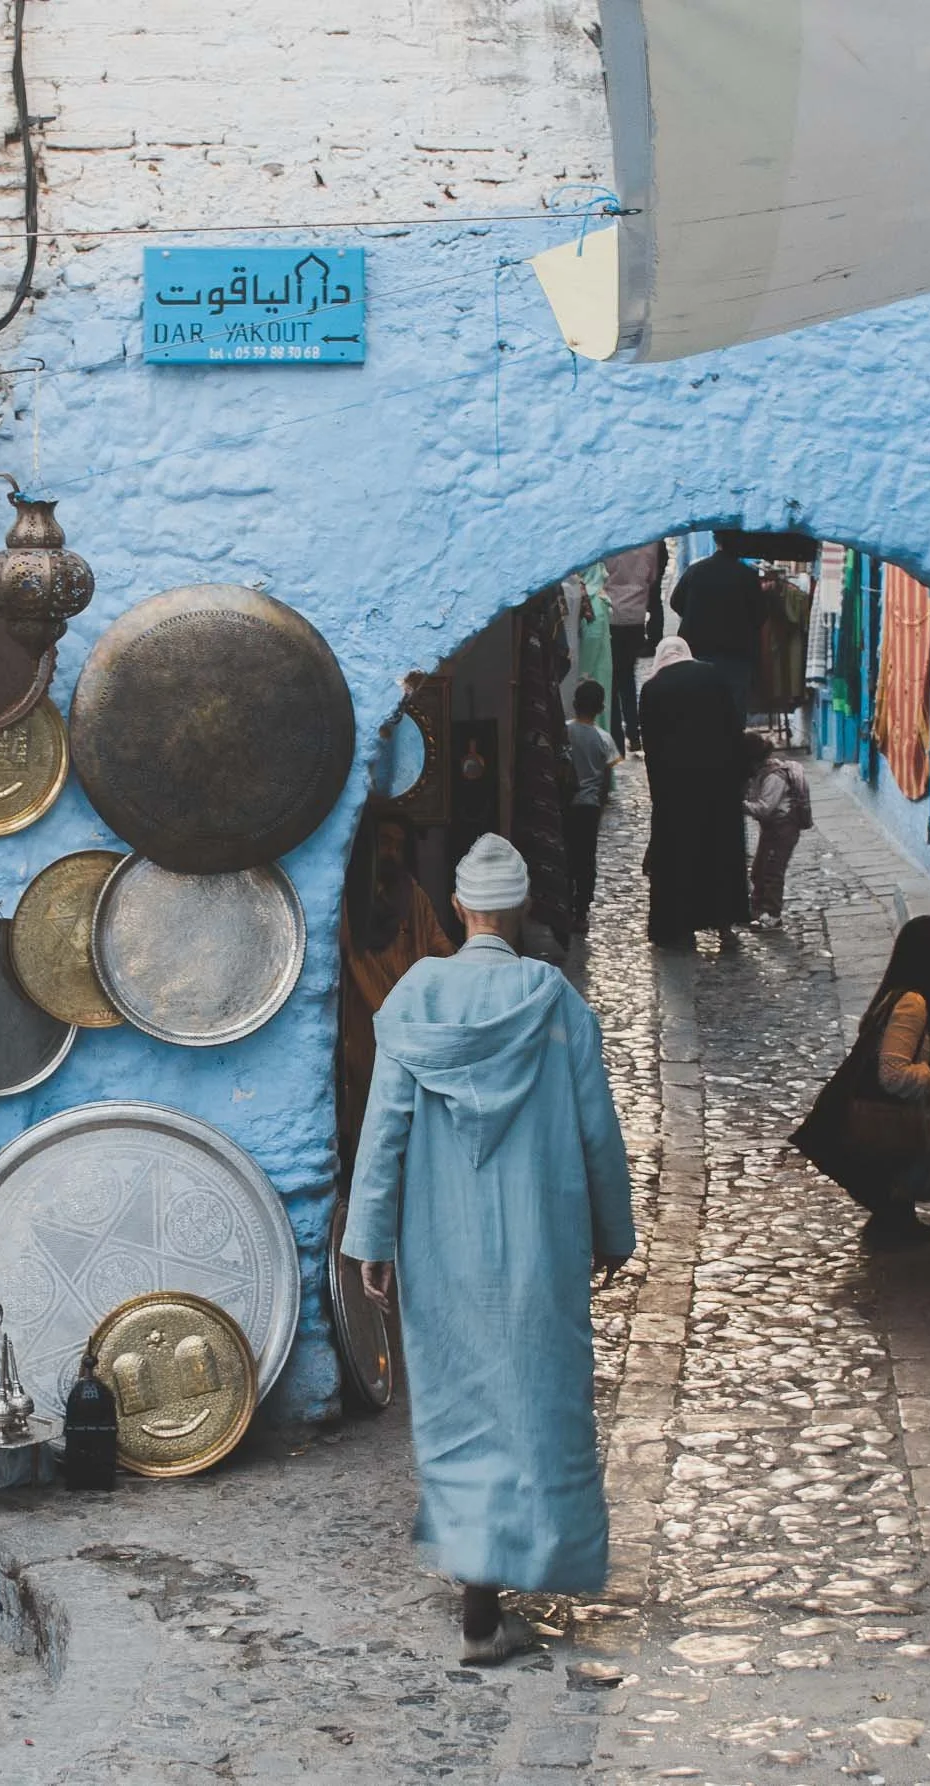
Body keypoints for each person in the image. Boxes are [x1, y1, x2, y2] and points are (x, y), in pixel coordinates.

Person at [343, 834, 635, 1664]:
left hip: (442, 1242)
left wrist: (370, 1239)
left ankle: (480, 1599)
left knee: (461, 1403)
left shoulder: (417, 998)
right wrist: (613, 1229)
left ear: (464, 909)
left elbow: (385, 1130)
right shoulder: (553, 1002)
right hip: (541, 1242)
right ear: (519, 910)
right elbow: (596, 1131)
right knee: (536, 1400)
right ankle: (510, 1580)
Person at [795, 915, 930, 1249]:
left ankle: (898, 1214)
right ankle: (895, 1214)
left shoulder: (895, 997)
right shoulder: (912, 1005)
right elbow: (892, 1074)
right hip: (886, 1115)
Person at [338, 809, 459, 1165]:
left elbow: (441, 951)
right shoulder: (349, 901)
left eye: (398, 845)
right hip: (363, 1034)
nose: (391, 852)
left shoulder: (412, 897)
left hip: (409, 1030)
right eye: (384, 843)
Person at [635, 636, 749, 951]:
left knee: (680, 855)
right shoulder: (712, 676)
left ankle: (681, 927)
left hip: (675, 788)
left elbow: (651, 747)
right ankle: (725, 925)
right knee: (720, 852)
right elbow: (733, 726)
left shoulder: (652, 689)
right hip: (719, 782)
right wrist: (737, 776)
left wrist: (658, 794)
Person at [668, 531, 768, 714]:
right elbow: (760, 615)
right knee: (733, 711)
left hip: (698, 653)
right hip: (737, 656)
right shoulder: (747, 576)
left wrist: (695, 616)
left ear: (716, 541)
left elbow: (675, 602)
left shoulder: (696, 571)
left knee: (702, 710)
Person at [599, 543, 667, 753]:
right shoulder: (650, 546)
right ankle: (633, 732)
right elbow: (651, 577)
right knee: (627, 675)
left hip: (611, 615)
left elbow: (602, 575)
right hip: (635, 618)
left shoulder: (610, 545)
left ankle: (617, 739)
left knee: (612, 680)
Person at [740, 733, 813, 922]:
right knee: (758, 870)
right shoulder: (761, 774)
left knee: (772, 871)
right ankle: (755, 909)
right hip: (771, 828)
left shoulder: (773, 777)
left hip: (783, 828)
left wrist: (740, 806)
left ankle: (772, 914)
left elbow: (765, 808)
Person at [564, 678, 616, 932]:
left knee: (566, 854)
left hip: (566, 804)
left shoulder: (565, 731)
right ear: (601, 708)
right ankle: (581, 911)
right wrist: (601, 802)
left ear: (574, 704)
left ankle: (563, 904)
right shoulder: (604, 739)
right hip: (590, 807)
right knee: (586, 859)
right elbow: (607, 778)